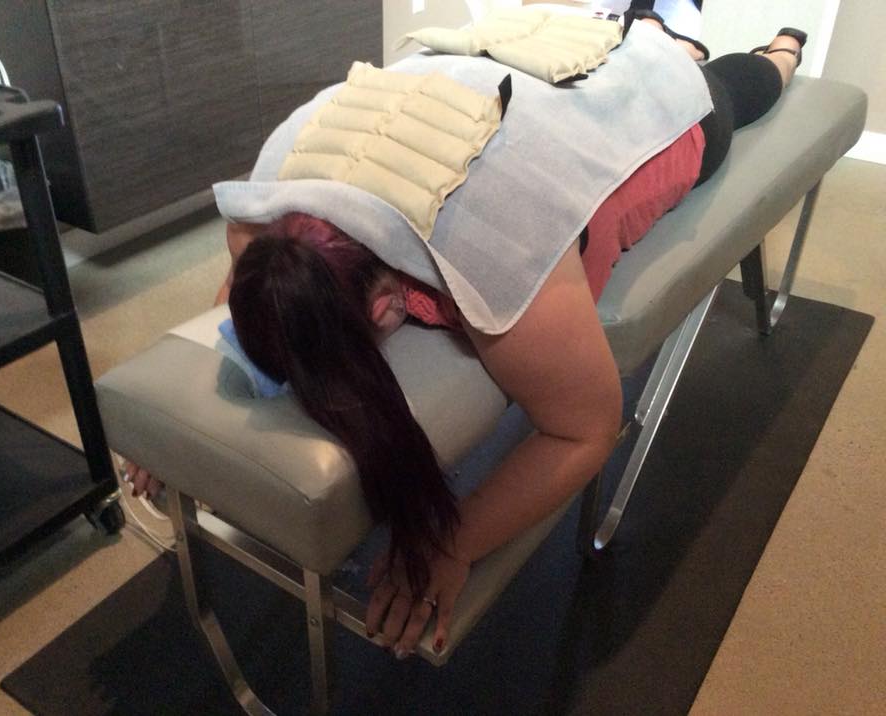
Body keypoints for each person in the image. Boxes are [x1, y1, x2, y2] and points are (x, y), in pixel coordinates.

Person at [125, 19, 807, 661]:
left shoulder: (492, 248)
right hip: (496, 71)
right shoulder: (267, 204)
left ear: (390, 303)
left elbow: (586, 429)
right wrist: (182, 429)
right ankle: (652, 29)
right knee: (635, 38)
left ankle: (775, 48)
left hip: (651, 109)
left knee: (733, 88)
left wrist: (452, 543)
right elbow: (253, 292)